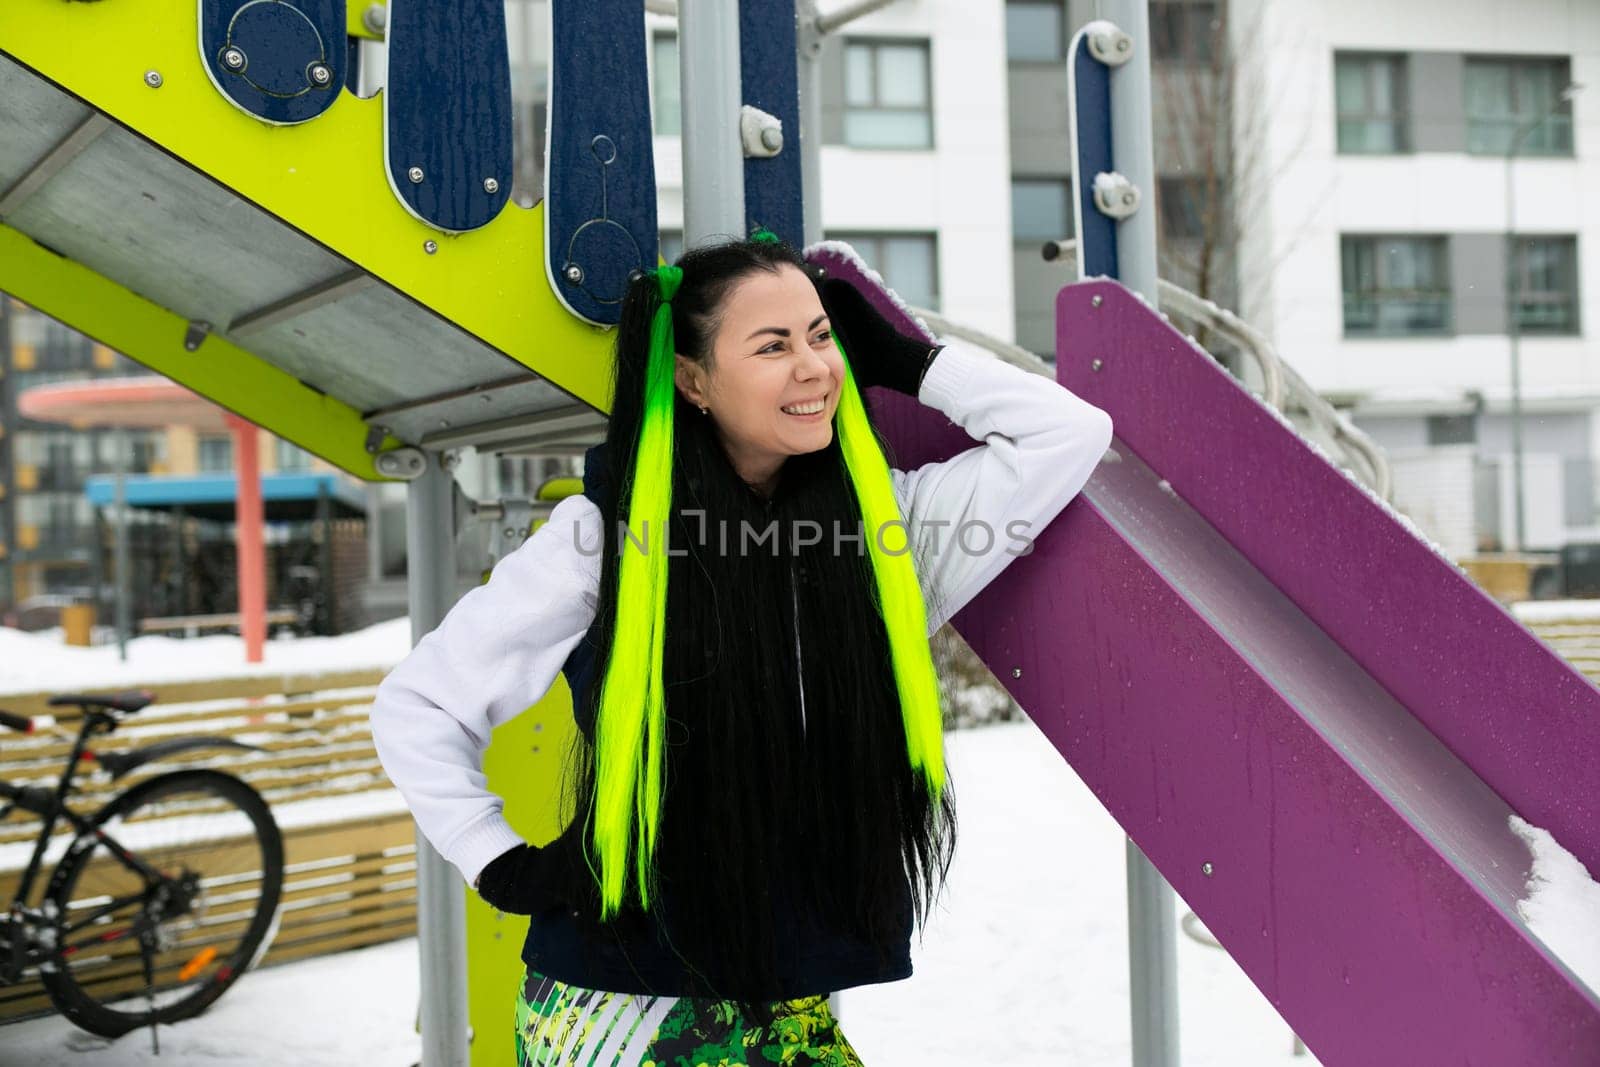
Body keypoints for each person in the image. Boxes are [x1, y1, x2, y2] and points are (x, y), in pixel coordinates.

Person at [370, 231, 1115, 1065]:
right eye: (772, 346)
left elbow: (1069, 435)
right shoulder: (603, 540)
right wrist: (497, 861)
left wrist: (908, 360)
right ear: (693, 380)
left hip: (784, 1005)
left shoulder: (891, 533)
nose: (814, 368)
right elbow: (420, 705)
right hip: (623, 1007)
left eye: (821, 336)